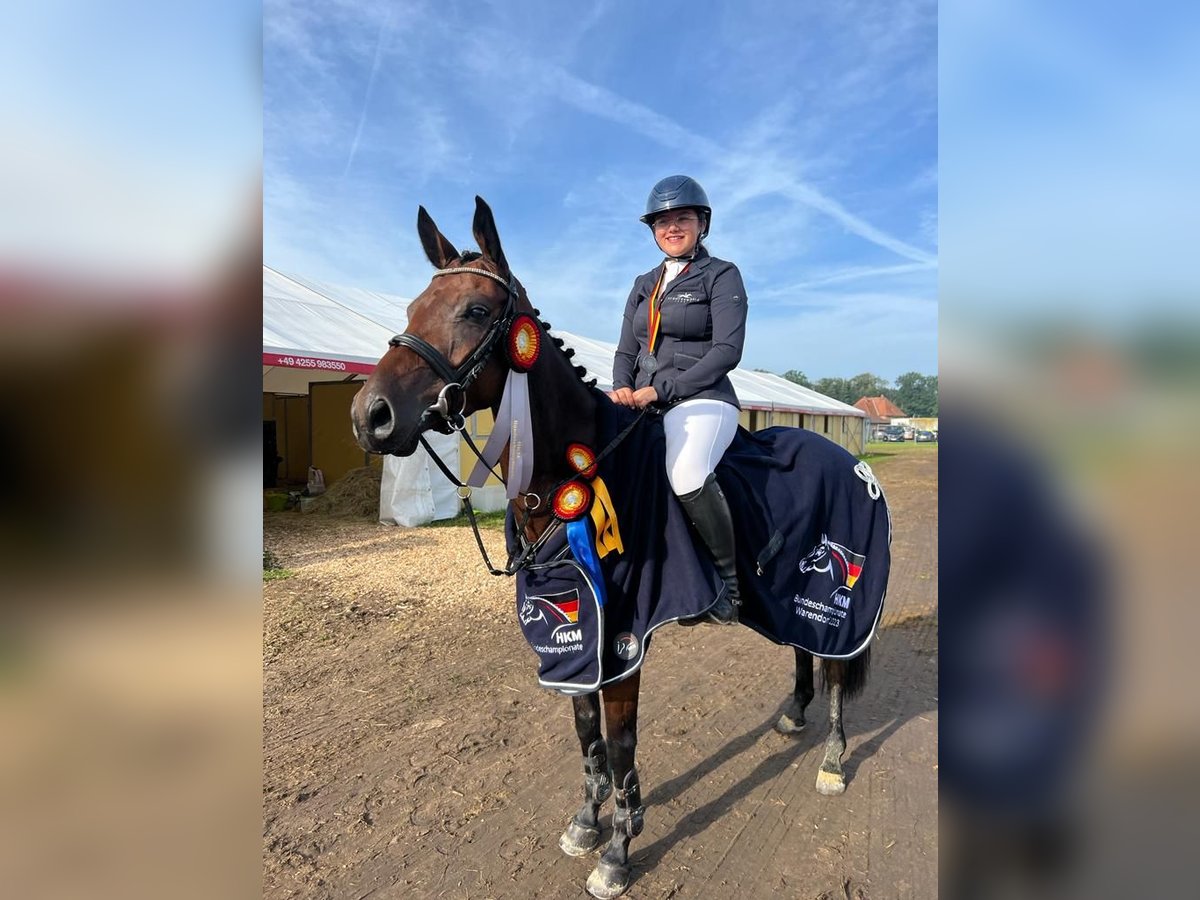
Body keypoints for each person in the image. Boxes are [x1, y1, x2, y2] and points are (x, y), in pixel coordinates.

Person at [609, 175, 748, 624]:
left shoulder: (721, 274)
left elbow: (728, 350)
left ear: (701, 223)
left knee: (686, 473)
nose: (672, 227)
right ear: (652, 229)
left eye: (682, 218)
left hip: (702, 398)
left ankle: (731, 587)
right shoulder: (643, 282)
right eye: (663, 221)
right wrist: (621, 387)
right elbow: (626, 348)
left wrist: (663, 390)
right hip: (645, 401)